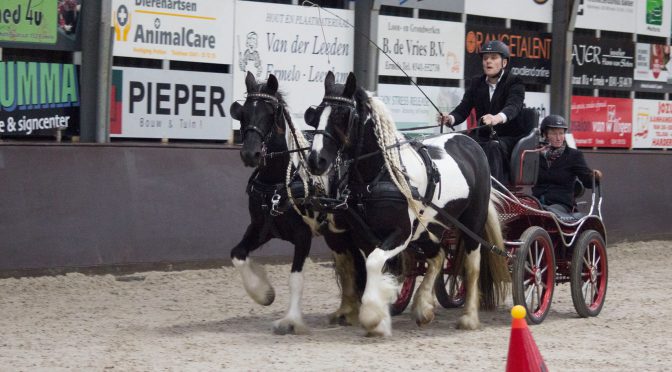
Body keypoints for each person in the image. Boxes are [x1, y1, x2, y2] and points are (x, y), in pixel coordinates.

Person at [438, 40, 526, 184]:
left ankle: (494, 190)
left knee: (493, 146)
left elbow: (513, 106)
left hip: (508, 137)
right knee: (455, 141)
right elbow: (463, 108)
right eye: (485, 58)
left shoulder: (515, 82)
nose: (488, 62)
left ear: (504, 63)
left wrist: (497, 118)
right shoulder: (476, 82)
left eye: (493, 58)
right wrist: (450, 119)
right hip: (484, 135)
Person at [532, 114, 603, 214]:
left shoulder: (574, 155)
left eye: (561, 133)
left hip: (562, 204)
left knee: (546, 213)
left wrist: (594, 176)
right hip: (537, 202)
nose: (558, 138)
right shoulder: (535, 154)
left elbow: (588, 182)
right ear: (545, 135)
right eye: (553, 133)